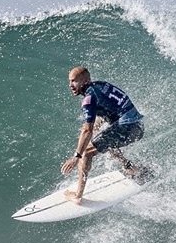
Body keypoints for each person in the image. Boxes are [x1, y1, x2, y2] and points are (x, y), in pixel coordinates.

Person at [60, 66, 148, 204]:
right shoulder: (100, 85)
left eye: (74, 81)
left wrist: (76, 156)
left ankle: (78, 195)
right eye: (69, 81)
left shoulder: (88, 99)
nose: (70, 85)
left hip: (128, 128)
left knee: (86, 152)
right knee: (102, 140)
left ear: (85, 81)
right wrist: (97, 124)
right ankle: (130, 167)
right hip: (137, 126)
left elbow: (87, 131)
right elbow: (110, 106)